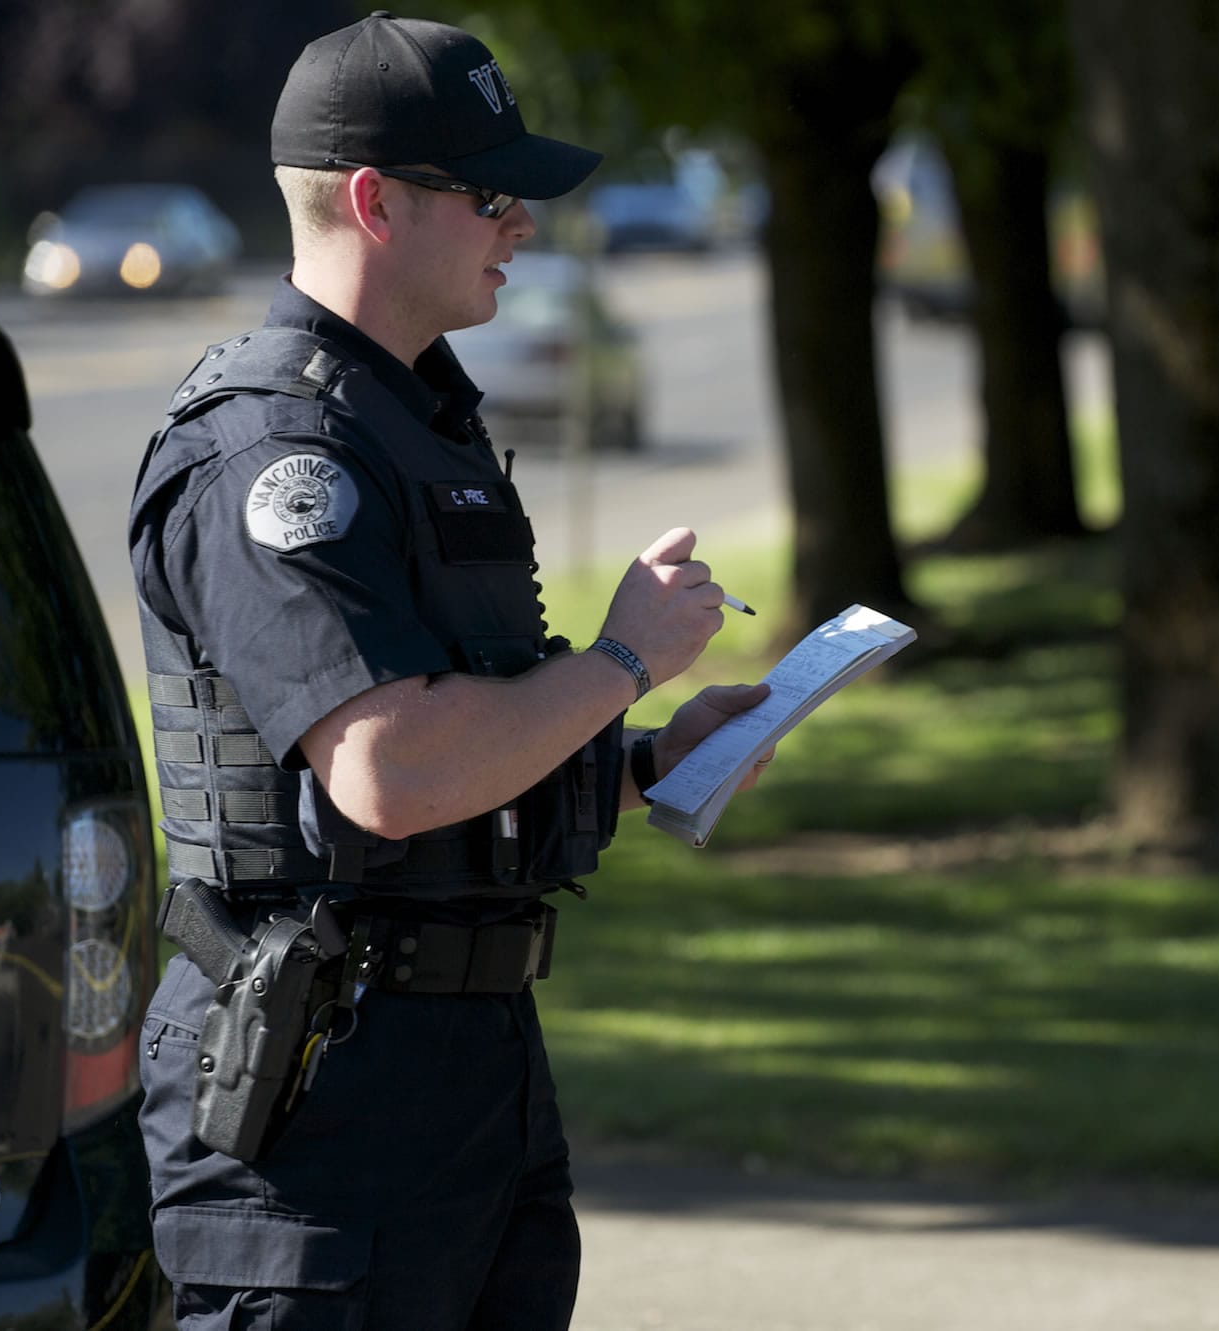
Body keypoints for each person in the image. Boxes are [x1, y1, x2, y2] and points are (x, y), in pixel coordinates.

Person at [128, 13, 774, 1327]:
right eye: (490, 195)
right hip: (317, 1108)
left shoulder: (416, 421)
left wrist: (647, 762)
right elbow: (389, 767)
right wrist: (622, 659)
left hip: (468, 1079)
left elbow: (470, 750)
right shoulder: (273, 454)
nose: (519, 226)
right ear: (374, 202)